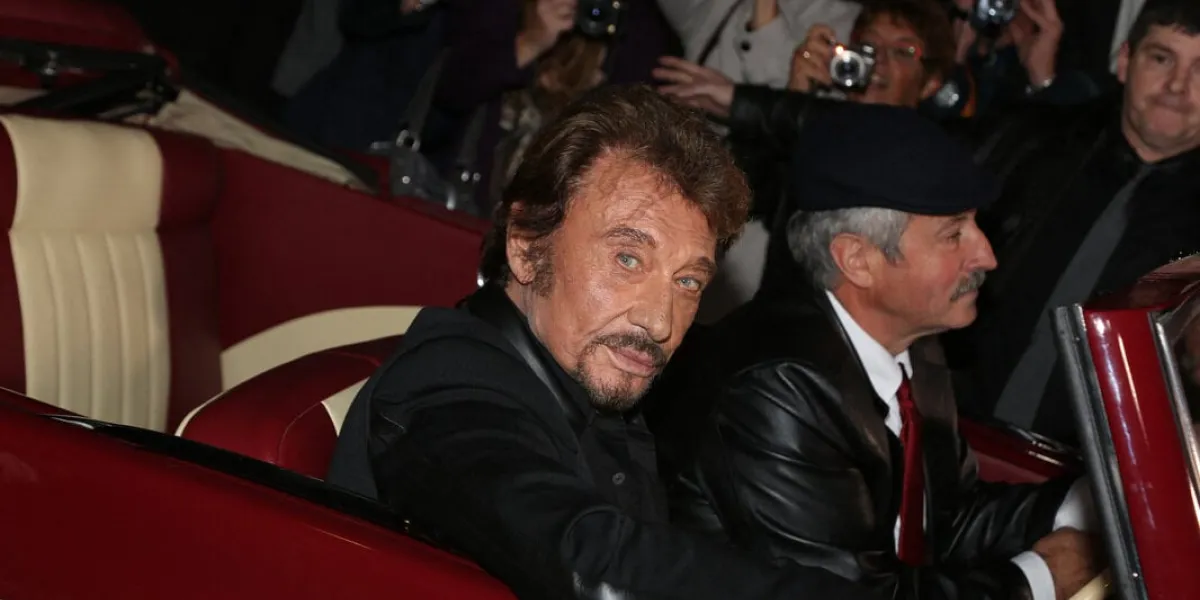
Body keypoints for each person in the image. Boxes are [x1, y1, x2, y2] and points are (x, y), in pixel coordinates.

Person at [325, 85, 882, 600]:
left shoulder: (591, 382)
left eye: (688, 281)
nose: (659, 320)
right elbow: (589, 557)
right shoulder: (451, 382)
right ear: (524, 248)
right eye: (627, 258)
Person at [651, 103, 1100, 600]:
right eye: (954, 234)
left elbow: (947, 520)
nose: (987, 255)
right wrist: (1037, 580)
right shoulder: (777, 388)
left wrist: (1101, 499)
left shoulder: (914, 344)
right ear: (858, 260)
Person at [945, 0, 1200, 443]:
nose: (1177, 85)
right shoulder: (1031, 147)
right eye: (1161, 58)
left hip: (1094, 492)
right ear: (1124, 61)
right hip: (948, 433)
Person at [655, 0, 957, 322]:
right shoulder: (810, 114)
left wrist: (773, 107)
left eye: (903, 52)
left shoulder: (913, 157)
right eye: (867, 46)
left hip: (777, 324)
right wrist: (794, 93)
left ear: (931, 83)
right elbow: (745, 192)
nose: (878, 61)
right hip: (711, 296)